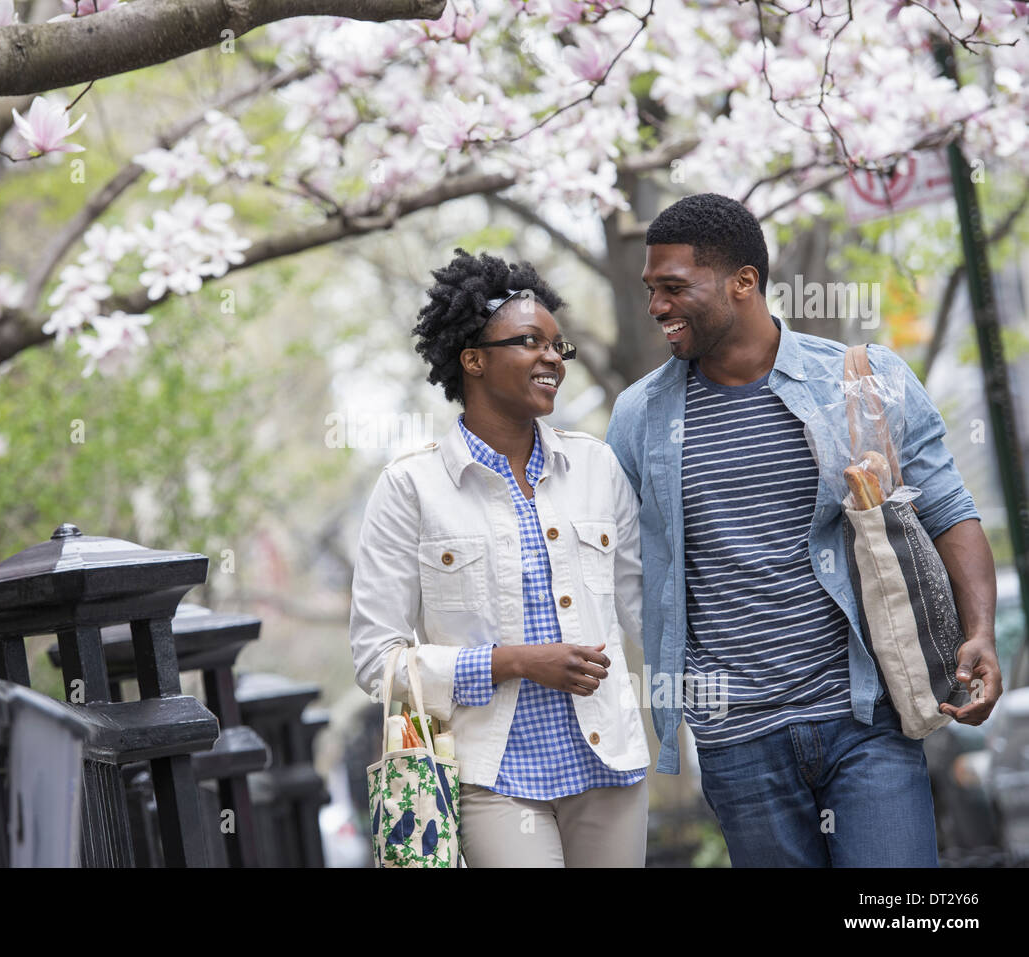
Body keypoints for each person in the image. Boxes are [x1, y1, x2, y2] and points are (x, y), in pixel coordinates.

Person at [604, 192, 1003, 867]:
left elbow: (948, 508)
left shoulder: (863, 381)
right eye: (650, 290)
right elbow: (629, 562)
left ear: (744, 282)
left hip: (865, 717)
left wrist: (981, 630)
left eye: (673, 287)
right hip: (737, 741)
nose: (656, 307)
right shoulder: (639, 417)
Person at [349, 248, 649, 868]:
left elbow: (649, 608)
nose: (552, 359)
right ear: (474, 359)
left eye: (558, 347)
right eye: (530, 342)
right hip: (493, 776)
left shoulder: (598, 467)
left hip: (609, 762)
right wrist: (513, 662)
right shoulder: (410, 487)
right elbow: (377, 662)